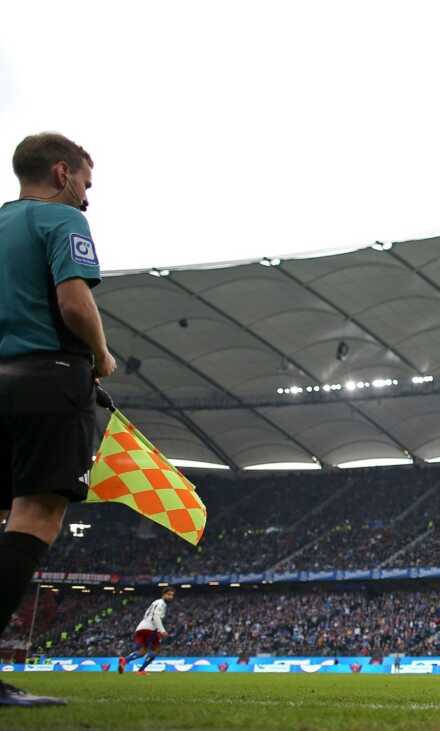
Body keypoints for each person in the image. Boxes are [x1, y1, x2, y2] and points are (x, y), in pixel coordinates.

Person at [1, 132, 114, 707]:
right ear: (62, 172)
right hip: (46, 377)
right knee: (37, 512)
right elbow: (73, 302)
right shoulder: (62, 221)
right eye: (87, 184)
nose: (88, 198)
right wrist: (101, 355)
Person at [119, 588, 174, 674]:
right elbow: (156, 616)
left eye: (172, 595)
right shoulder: (162, 604)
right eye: (169, 594)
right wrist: (162, 630)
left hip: (141, 627)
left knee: (142, 651)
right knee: (155, 650)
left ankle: (125, 661)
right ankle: (141, 670)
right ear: (163, 594)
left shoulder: (155, 602)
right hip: (150, 629)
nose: (171, 597)